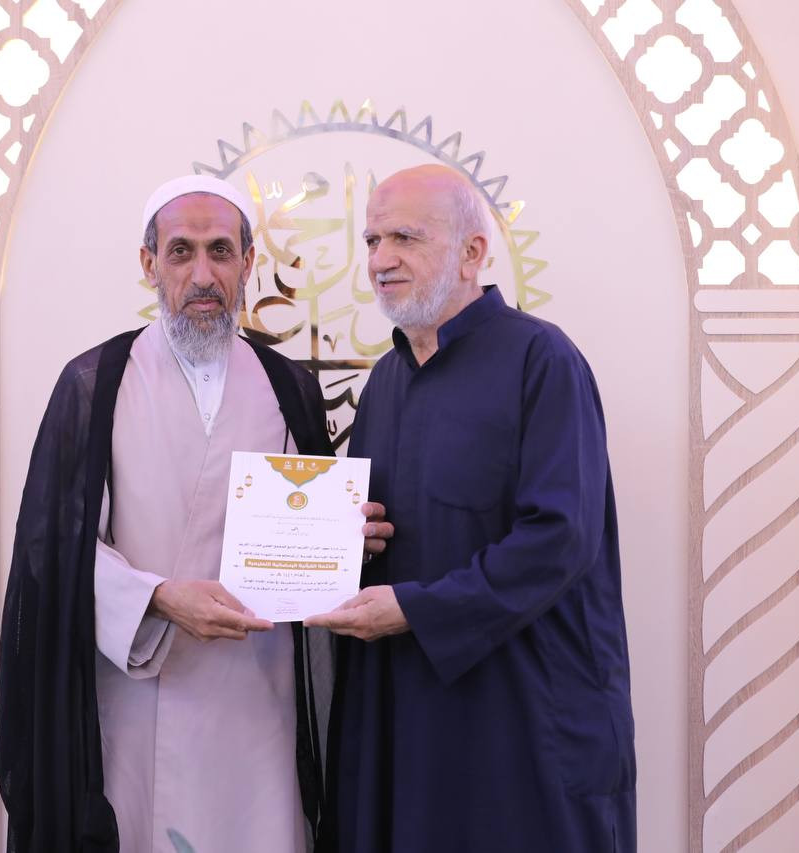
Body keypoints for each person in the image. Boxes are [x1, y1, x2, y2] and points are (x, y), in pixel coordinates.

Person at [0, 175, 393, 853]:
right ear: (149, 263)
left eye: (220, 251)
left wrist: (346, 540)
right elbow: (52, 549)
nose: (203, 275)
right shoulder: (95, 382)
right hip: (136, 695)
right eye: (181, 251)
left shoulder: (289, 386)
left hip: (258, 704)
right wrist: (156, 598)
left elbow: (306, 538)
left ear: (248, 262)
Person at [307, 165, 636, 852]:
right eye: (371, 240)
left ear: (472, 252)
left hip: (520, 718)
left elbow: (559, 538)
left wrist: (417, 609)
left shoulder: (542, 360)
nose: (380, 259)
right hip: (404, 717)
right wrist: (347, 542)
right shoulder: (385, 381)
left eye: (405, 237)